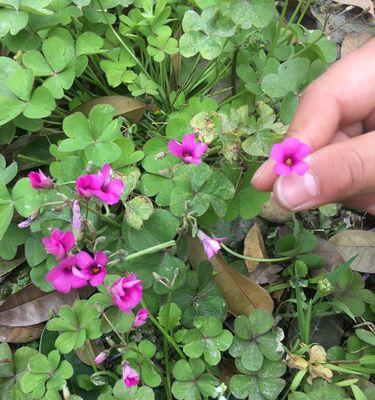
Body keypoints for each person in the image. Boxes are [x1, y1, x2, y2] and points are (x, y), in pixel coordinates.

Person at [251, 37, 375, 215]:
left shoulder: (292, 161)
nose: (288, 161)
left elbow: (296, 162)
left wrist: (350, 169)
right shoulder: (288, 160)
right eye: (287, 161)